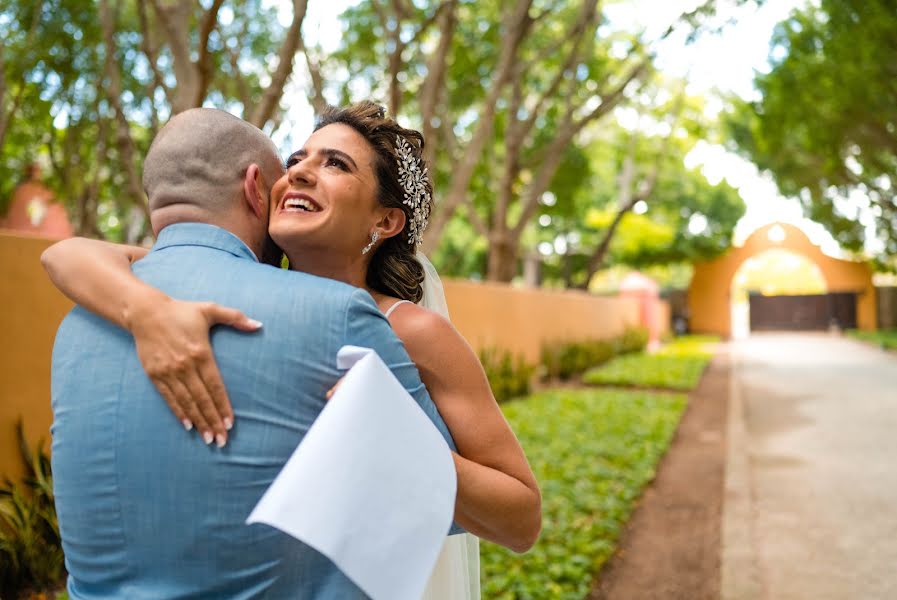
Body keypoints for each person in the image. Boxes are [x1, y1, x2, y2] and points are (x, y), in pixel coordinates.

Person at [44, 102, 542, 598]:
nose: (301, 172)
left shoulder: (413, 331)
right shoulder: (235, 291)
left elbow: (521, 517)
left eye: (335, 164)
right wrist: (145, 309)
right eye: (298, 159)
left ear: (386, 221)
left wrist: (392, 431)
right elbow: (70, 254)